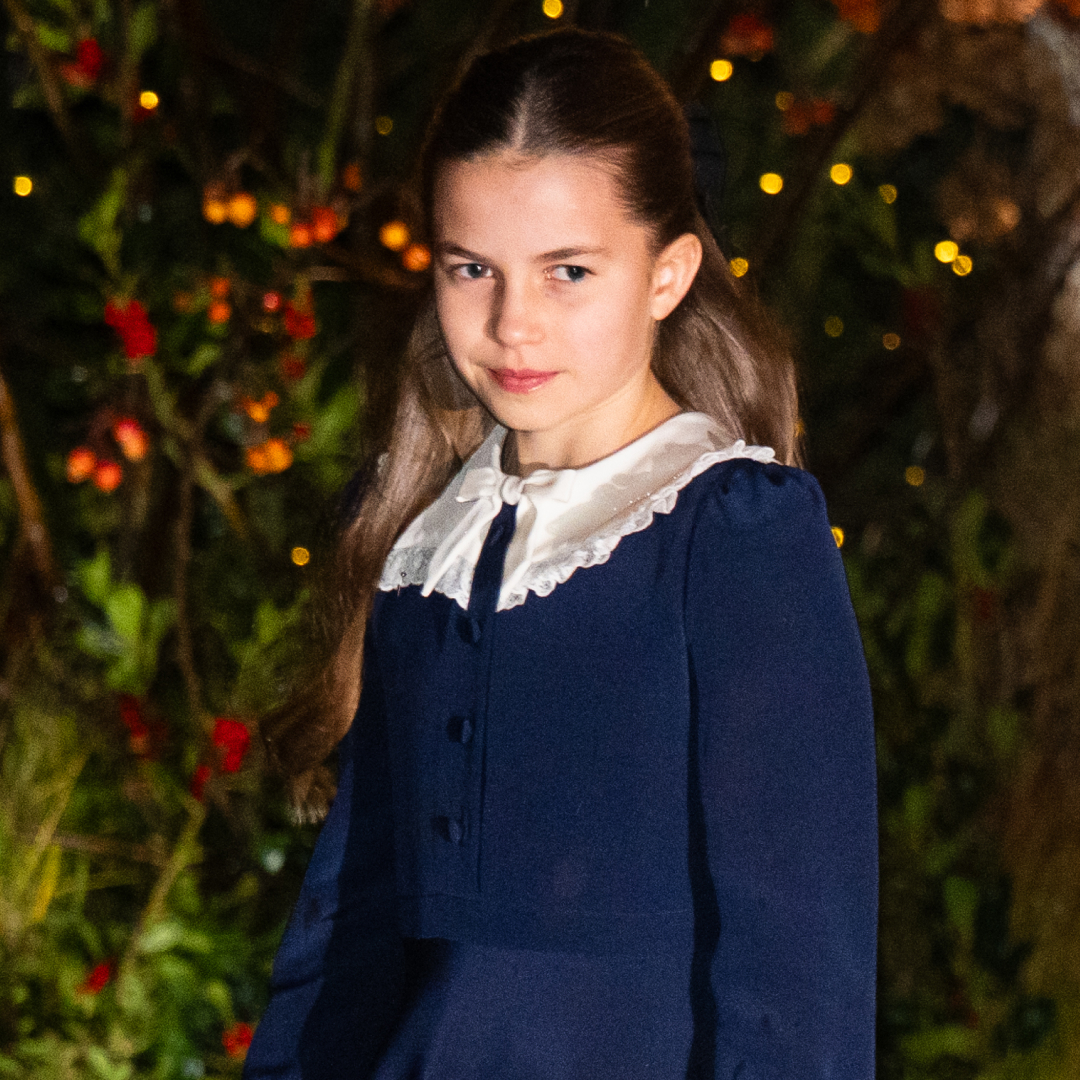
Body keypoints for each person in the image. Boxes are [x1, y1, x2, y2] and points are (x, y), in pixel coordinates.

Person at [245, 27, 877, 1080]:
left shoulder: (735, 536)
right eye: (471, 269)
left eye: (569, 271)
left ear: (668, 273)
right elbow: (345, 940)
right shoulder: (422, 545)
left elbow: (799, 971)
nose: (511, 324)